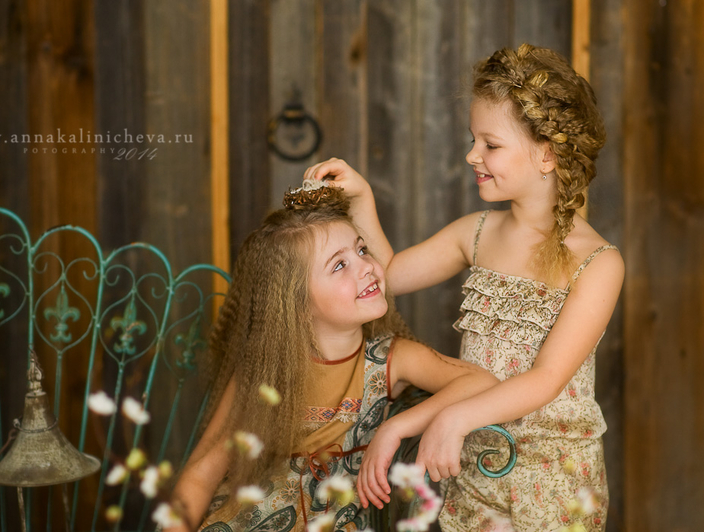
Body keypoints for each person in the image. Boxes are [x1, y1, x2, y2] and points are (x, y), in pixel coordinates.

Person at [304, 43, 624, 531]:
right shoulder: (475, 233)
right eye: (473, 140)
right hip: (475, 470)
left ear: (546, 154)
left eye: (490, 145)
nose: (472, 155)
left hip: (554, 482)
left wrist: (449, 419)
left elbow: (545, 379)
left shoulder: (599, 263)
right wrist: (362, 199)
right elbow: (387, 277)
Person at [164, 181, 499, 532]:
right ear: (297, 304)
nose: (366, 266)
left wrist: (395, 428)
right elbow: (202, 472)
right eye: (339, 265)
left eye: (362, 249)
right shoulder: (266, 369)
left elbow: (479, 380)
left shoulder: (391, 358)